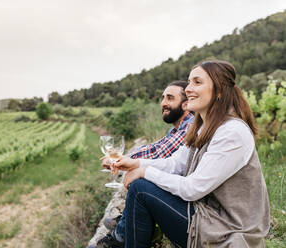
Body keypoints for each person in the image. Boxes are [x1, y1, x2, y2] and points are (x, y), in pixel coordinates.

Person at [114, 60, 270, 247]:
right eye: (189, 82)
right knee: (142, 186)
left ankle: (120, 239)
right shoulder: (204, 127)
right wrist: (137, 164)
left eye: (197, 82)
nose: (188, 88)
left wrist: (145, 172)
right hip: (208, 216)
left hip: (226, 230)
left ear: (219, 90)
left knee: (141, 189)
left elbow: (192, 189)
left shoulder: (232, 132)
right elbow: (176, 164)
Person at [96, 81, 195, 248]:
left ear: (185, 104)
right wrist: (123, 158)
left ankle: (121, 234)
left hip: (187, 205)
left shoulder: (190, 126)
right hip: (181, 194)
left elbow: (161, 152)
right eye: (163, 98)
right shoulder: (176, 129)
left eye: (170, 98)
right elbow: (154, 147)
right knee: (140, 177)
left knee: (140, 183)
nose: (163, 103)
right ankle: (124, 228)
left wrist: (121, 160)